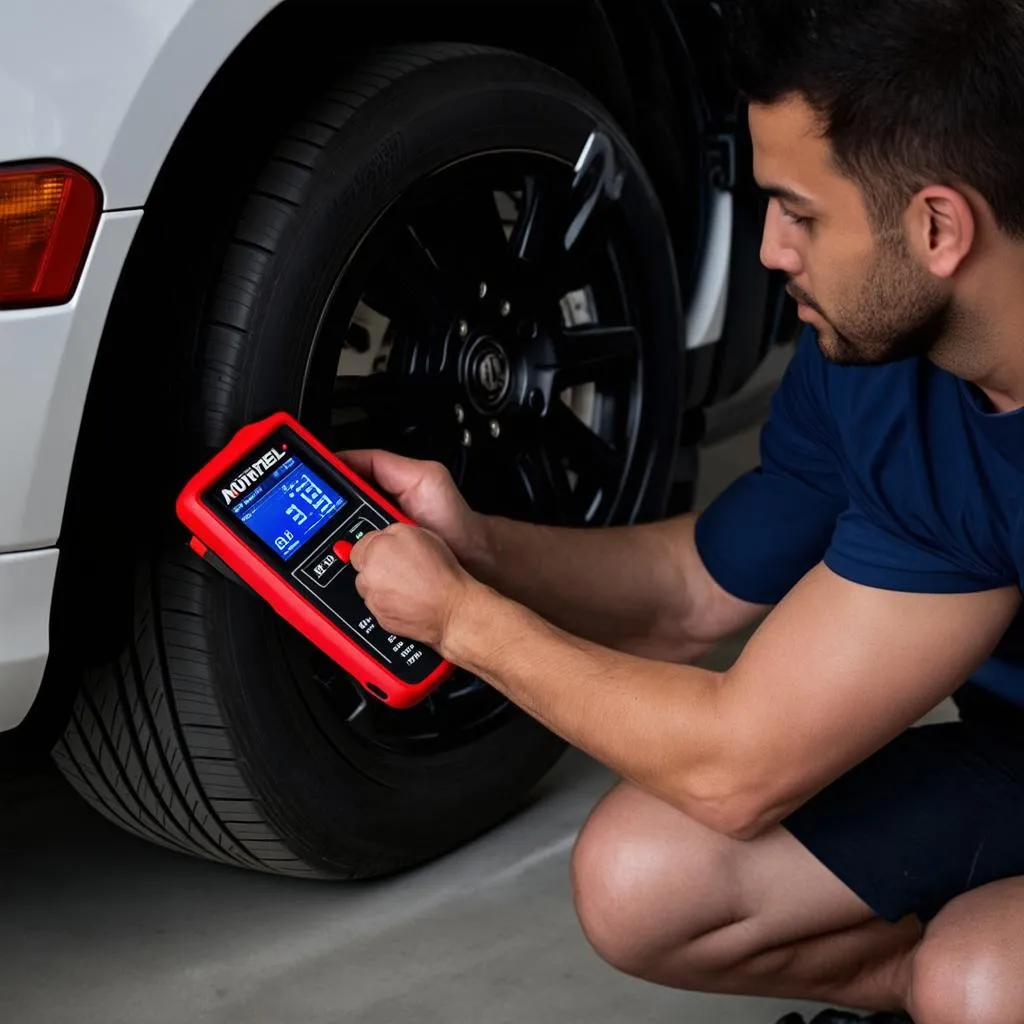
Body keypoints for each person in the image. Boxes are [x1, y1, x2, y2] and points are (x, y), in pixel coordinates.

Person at [340, 1, 1024, 1020]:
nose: (767, 250)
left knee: (981, 980)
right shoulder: (890, 372)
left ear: (935, 226)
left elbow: (733, 768)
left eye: (800, 211)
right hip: (1008, 751)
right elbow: (692, 593)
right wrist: (477, 553)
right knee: (642, 877)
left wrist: (460, 624)